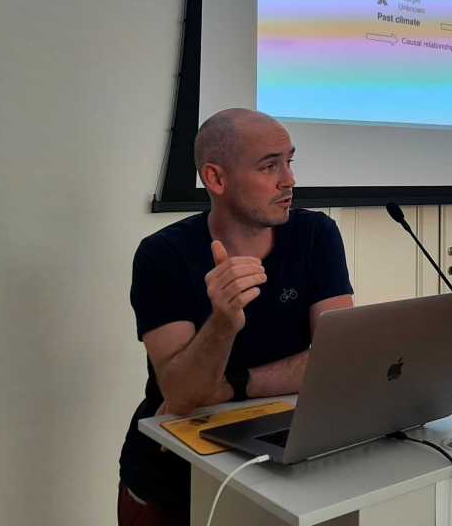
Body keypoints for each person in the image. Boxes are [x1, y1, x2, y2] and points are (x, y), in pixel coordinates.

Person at [118, 109, 354, 525]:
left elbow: (337, 360)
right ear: (216, 178)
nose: (289, 180)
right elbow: (184, 396)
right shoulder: (163, 255)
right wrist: (223, 323)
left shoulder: (316, 234)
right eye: (269, 166)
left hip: (281, 467)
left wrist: (234, 384)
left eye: (289, 161)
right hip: (177, 480)